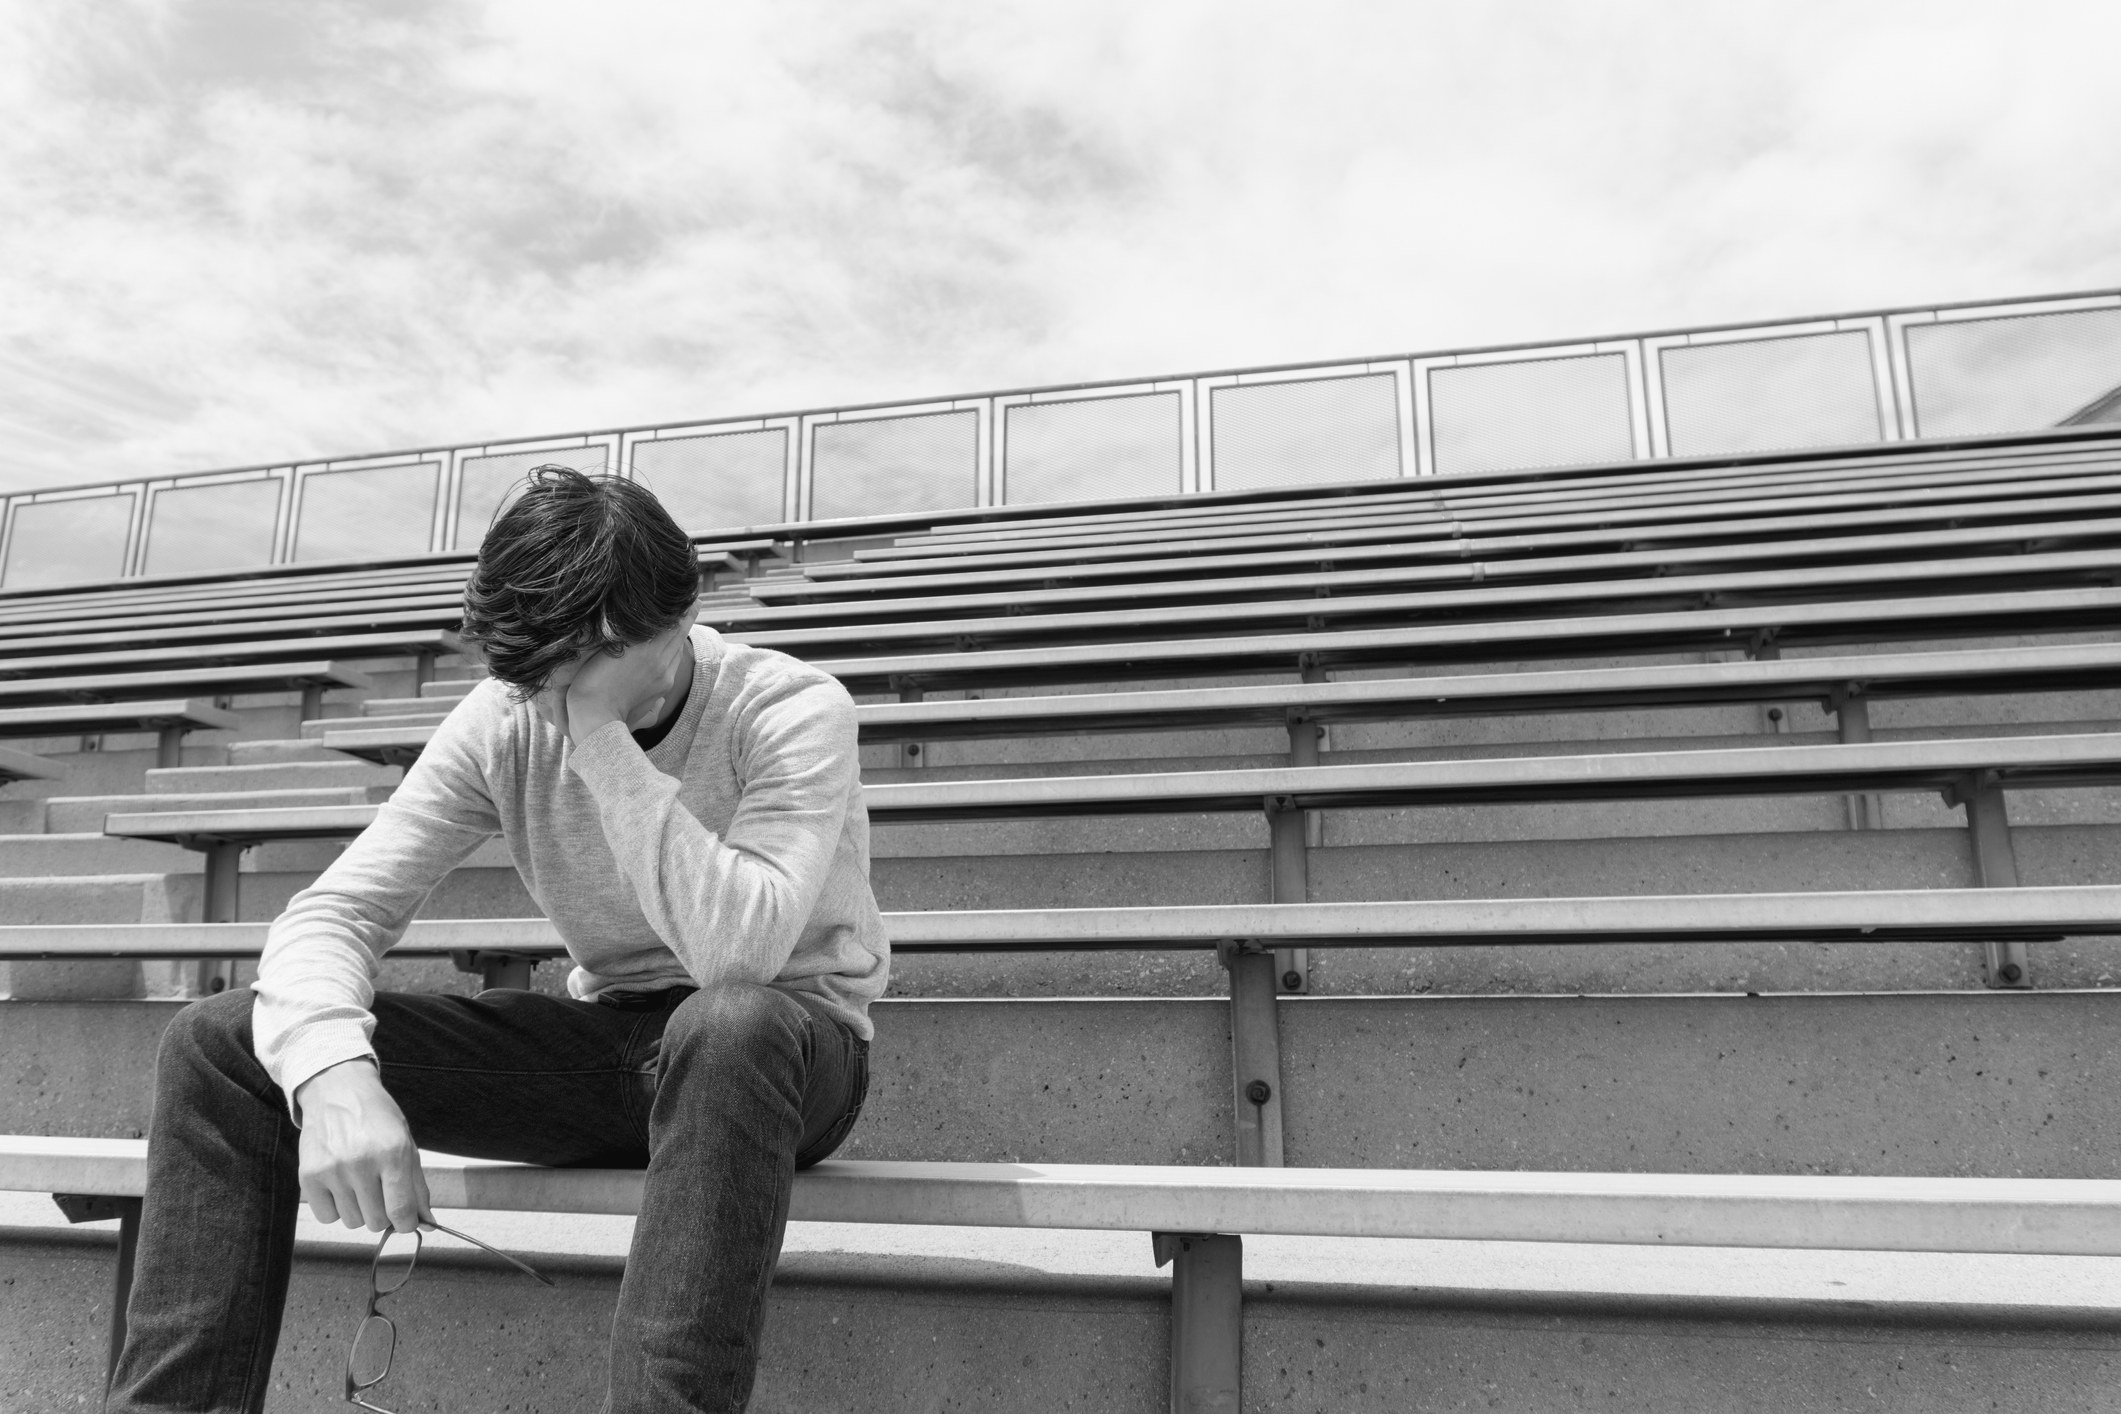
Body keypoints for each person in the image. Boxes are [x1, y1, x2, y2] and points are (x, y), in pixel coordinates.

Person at [105, 466, 888, 1413]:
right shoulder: (512, 710)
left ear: (671, 620)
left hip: (786, 1055)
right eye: (526, 669)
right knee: (221, 1042)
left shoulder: (790, 707)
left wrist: (600, 740)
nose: (542, 693)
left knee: (728, 1022)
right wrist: (333, 1075)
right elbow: (334, 911)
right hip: (614, 1051)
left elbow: (739, 953)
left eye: (572, 665)